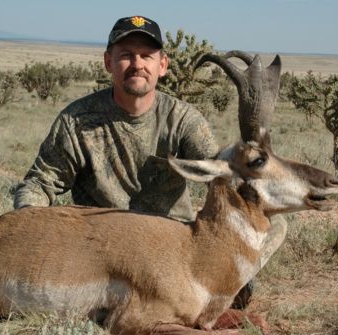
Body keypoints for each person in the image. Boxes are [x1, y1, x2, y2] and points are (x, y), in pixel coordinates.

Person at [14, 15, 286, 308]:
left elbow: (223, 175)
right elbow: (40, 183)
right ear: (108, 62)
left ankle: (233, 279)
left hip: (172, 252)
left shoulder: (182, 119)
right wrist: (29, 226)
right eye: (126, 55)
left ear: (163, 66)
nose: (138, 64)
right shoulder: (77, 120)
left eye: (146, 56)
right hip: (102, 252)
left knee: (276, 221)